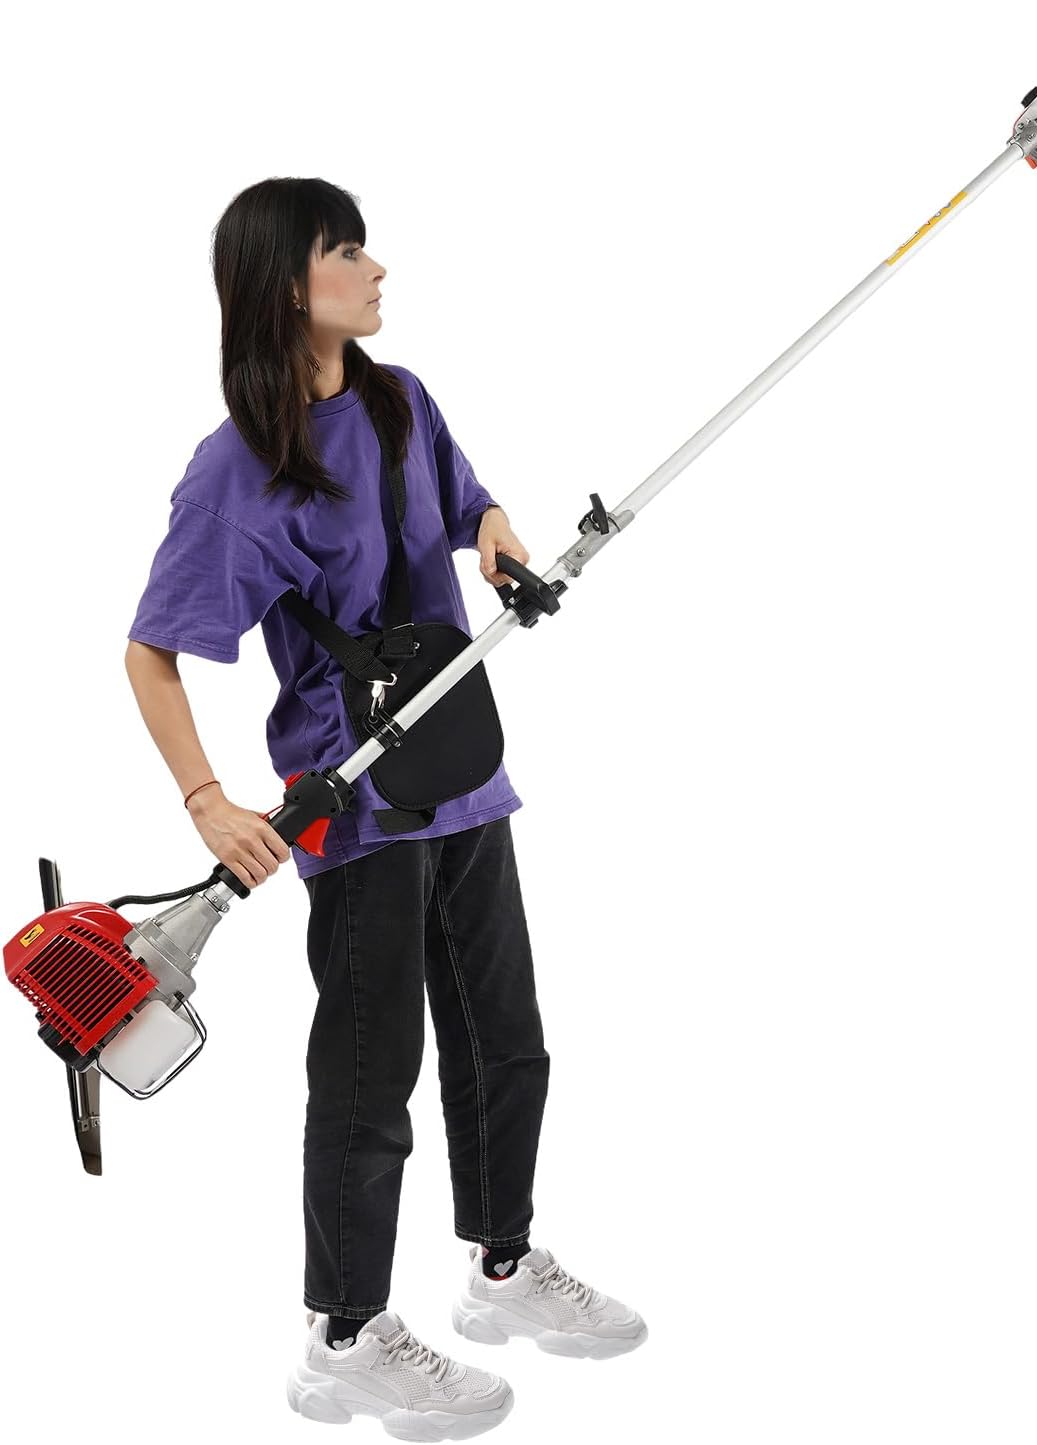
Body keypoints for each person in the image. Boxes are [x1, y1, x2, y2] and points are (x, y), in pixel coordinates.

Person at [123, 177, 646, 1440]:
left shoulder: (400, 398)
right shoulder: (237, 471)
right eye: (345, 250)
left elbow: (470, 502)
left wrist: (500, 539)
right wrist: (207, 800)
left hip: (459, 765)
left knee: (506, 1038)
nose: (376, 268)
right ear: (284, 285)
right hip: (353, 802)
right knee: (372, 1075)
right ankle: (345, 1334)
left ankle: (503, 1265)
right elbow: (151, 649)